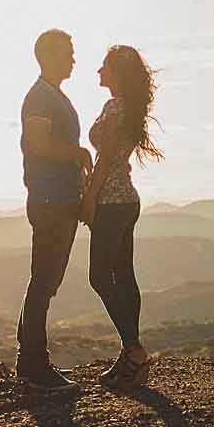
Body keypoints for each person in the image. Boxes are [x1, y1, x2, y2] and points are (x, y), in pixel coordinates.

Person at [81, 43, 161, 387]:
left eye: (105, 66)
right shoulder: (128, 106)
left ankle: (134, 351)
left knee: (100, 276)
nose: (99, 71)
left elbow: (107, 157)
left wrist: (89, 198)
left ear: (117, 72)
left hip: (112, 202)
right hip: (127, 200)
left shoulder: (115, 107)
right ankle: (132, 354)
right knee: (124, 276)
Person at [17, 28, 90, 389]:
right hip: (50, 201)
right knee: (44, 280)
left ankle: (30, 360)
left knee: (45, 281)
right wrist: (78, 153)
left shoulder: (52, 96)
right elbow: (37, 145)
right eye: (67, 53)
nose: (73, 59)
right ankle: (33, 364)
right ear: (46, 55)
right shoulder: (40, 97)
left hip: (59, 199)